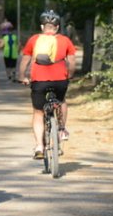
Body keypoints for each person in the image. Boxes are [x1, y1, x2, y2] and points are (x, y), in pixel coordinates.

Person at [19, 11, 76, 160]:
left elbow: (25, 60)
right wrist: (69, 75)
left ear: (42, 26)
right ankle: (62, 129)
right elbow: (72, 62)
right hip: (60, 81)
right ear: (57, 27)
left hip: (39, 81)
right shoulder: (65, 40)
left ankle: (39, 146)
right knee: (62, 101)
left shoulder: (34, 40)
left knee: (38, 112)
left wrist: (21, 76)